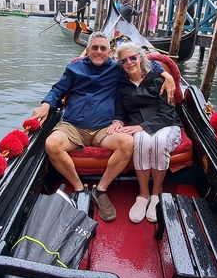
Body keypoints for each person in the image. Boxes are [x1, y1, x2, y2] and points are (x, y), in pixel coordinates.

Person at [30, 32, 176, 222]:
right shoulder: (74, 68)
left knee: (127, 142)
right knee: (51, 144)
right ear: (88, 49)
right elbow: (57, 90)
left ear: (109, 51)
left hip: (103, 129)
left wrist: (167, 75)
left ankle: (101, 190)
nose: (99, 52)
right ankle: (79, 188)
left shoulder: (117, 68)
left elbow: (141, 62)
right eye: (95, 48)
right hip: (73, 126)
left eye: (103, 48)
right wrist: (45, 105)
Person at [110, 43, 182, 223]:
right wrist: (118, 120)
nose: (129, 62)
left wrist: (143, 126)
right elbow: (119, 111)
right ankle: (143, 195)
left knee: (158, 142)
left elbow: (167, 114)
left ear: (140, 57)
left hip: (166, 124)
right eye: (124, 60)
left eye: (133, 58)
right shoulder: (122, 85)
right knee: (140, 142)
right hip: (137, 126)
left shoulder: (158, 79)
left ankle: (156, 193)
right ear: (121, 64)